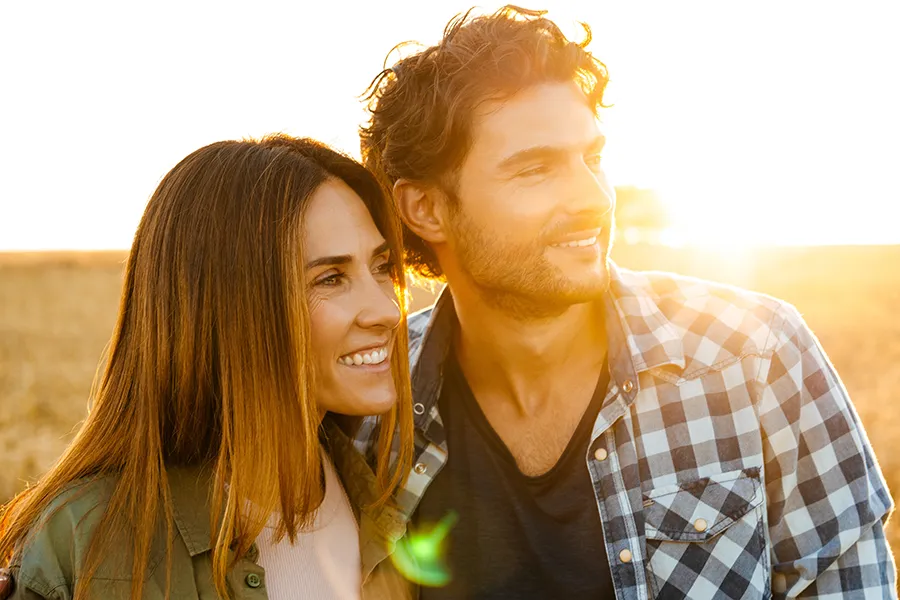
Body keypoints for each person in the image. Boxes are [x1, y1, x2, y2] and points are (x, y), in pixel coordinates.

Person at [357, 5, 896, 599]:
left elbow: (850, 584)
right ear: (426, 208)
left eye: (592, 158)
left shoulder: (757, 354)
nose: (593, 197)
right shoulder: (368, 407)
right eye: (536, 169)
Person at [0, 135, 415, 599]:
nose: (388, 310)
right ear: (228, 310)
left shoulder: (390, 507)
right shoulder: (84, 547)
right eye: (331, 278)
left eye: (382, 267)